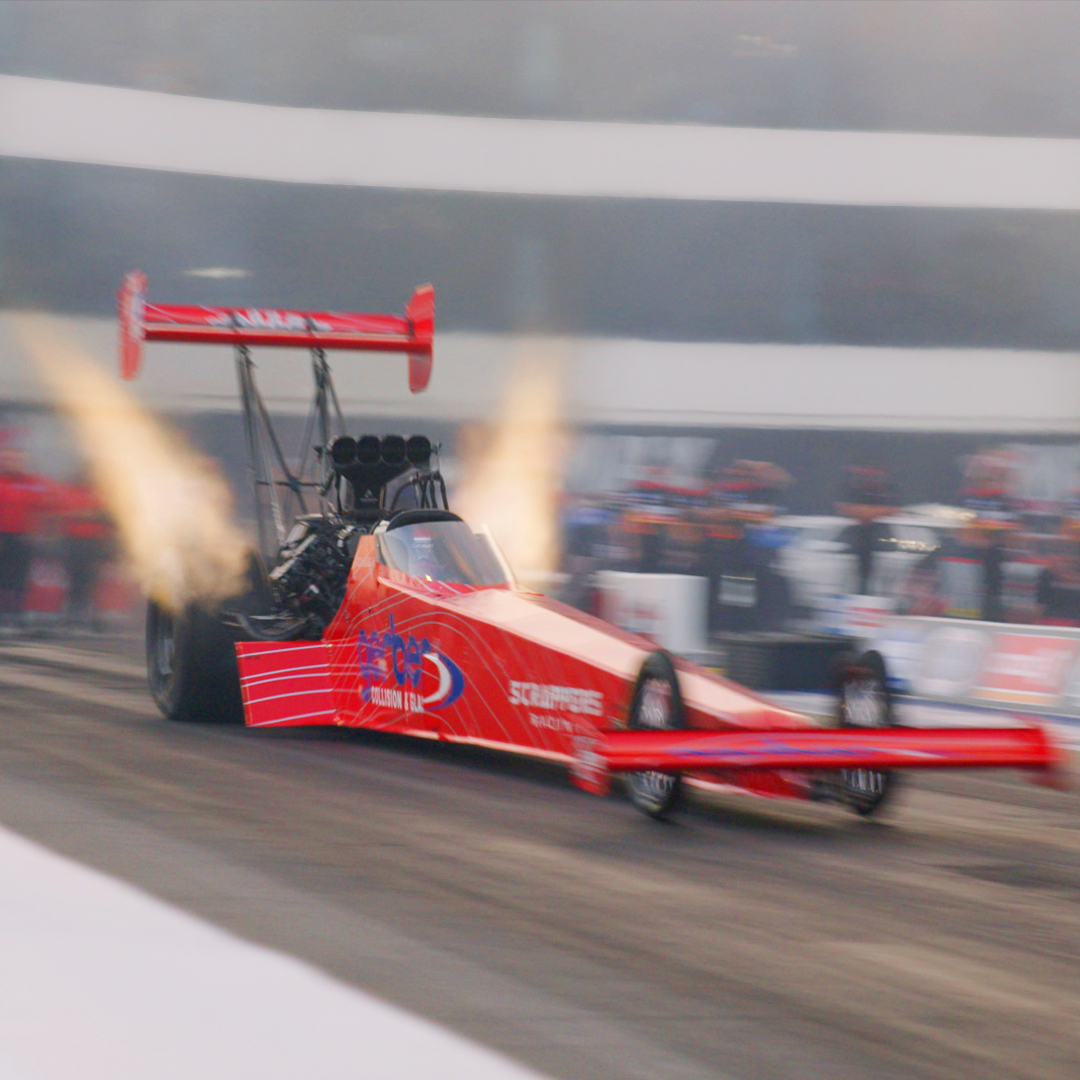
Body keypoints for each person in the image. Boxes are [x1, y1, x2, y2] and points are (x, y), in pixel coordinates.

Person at [0, 447, 48, 630]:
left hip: (24, 538)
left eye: (16, 459)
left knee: (20, 577)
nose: (12, 463)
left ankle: (15, 613)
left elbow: (42, 510)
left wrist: (39, 533)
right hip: (2, 537)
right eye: (7, 459)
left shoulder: (33, 483)